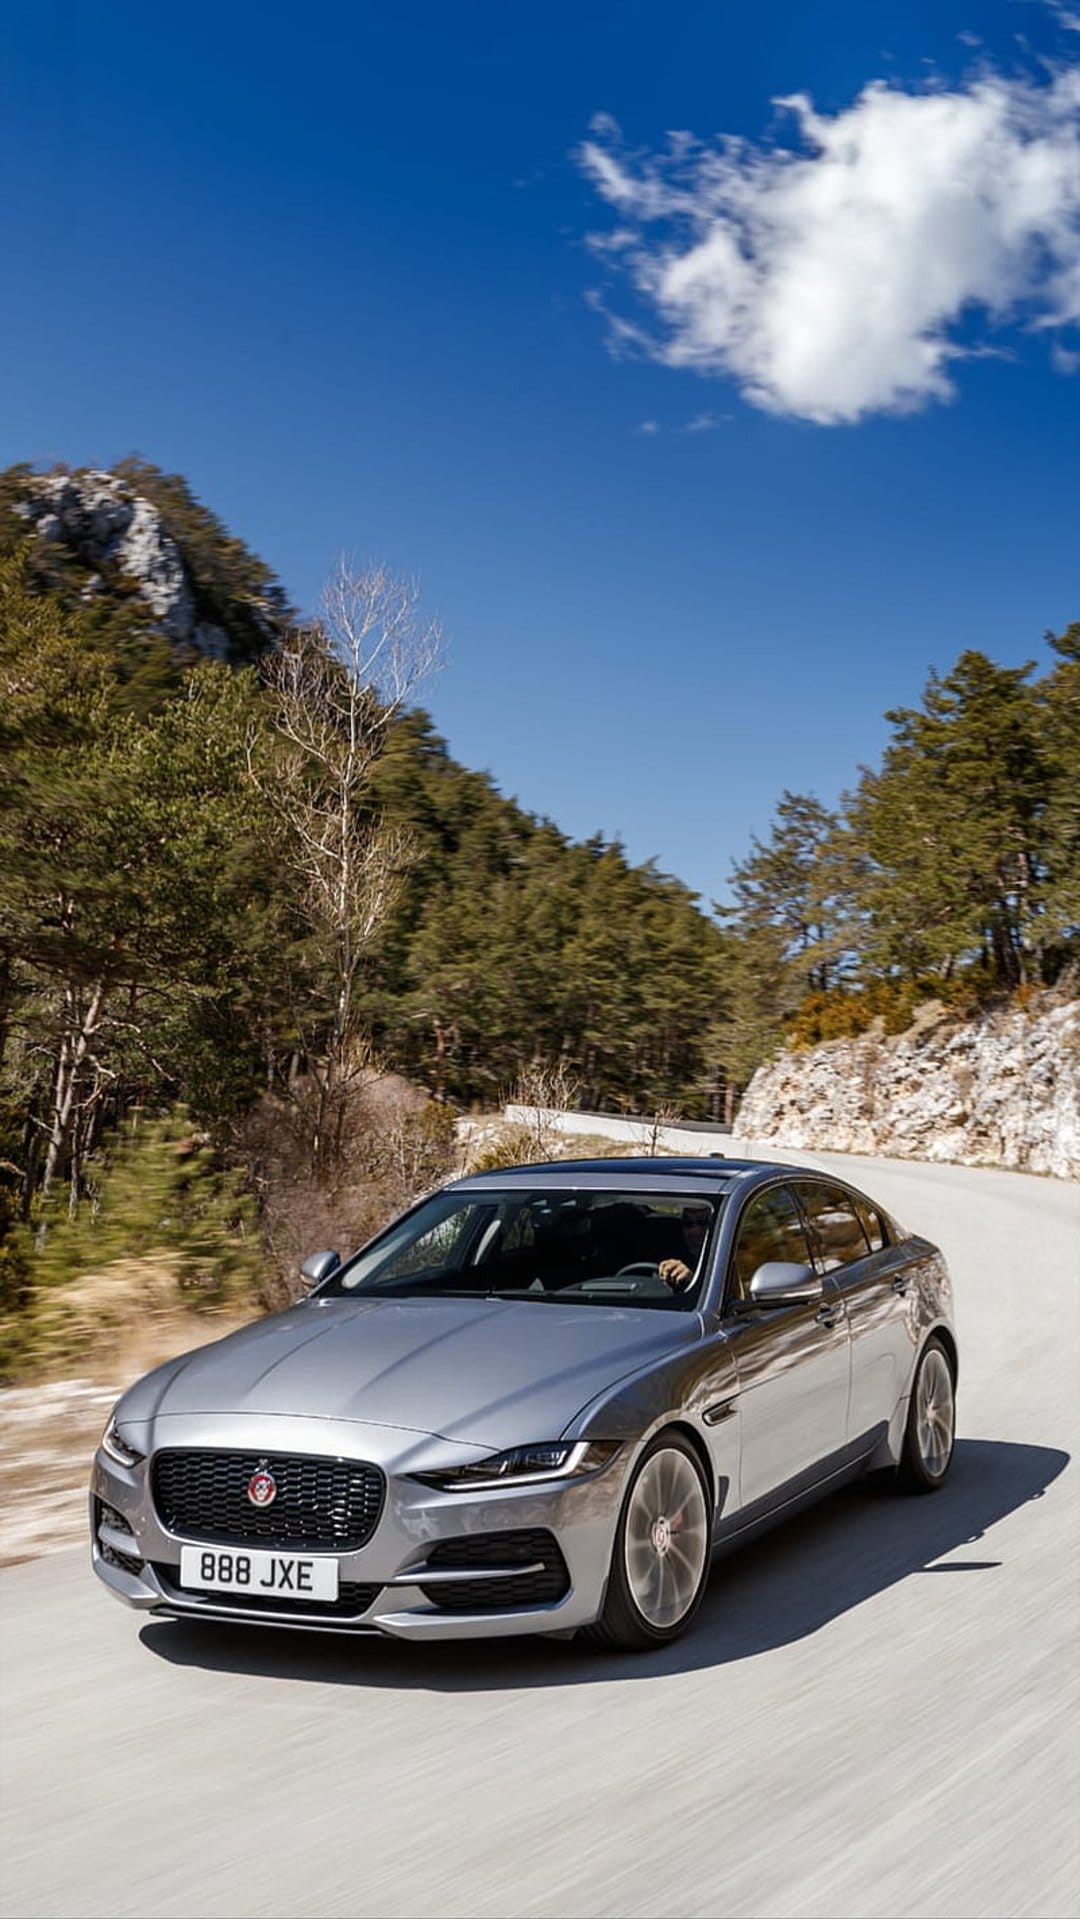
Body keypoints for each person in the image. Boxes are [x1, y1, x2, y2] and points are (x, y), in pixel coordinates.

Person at [659, 1204, 712, 1291]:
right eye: (688, 1223)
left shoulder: (724, 1259)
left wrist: (692, 1282)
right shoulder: (672, 1254)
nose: (694, 1231)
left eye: (703, 1222)